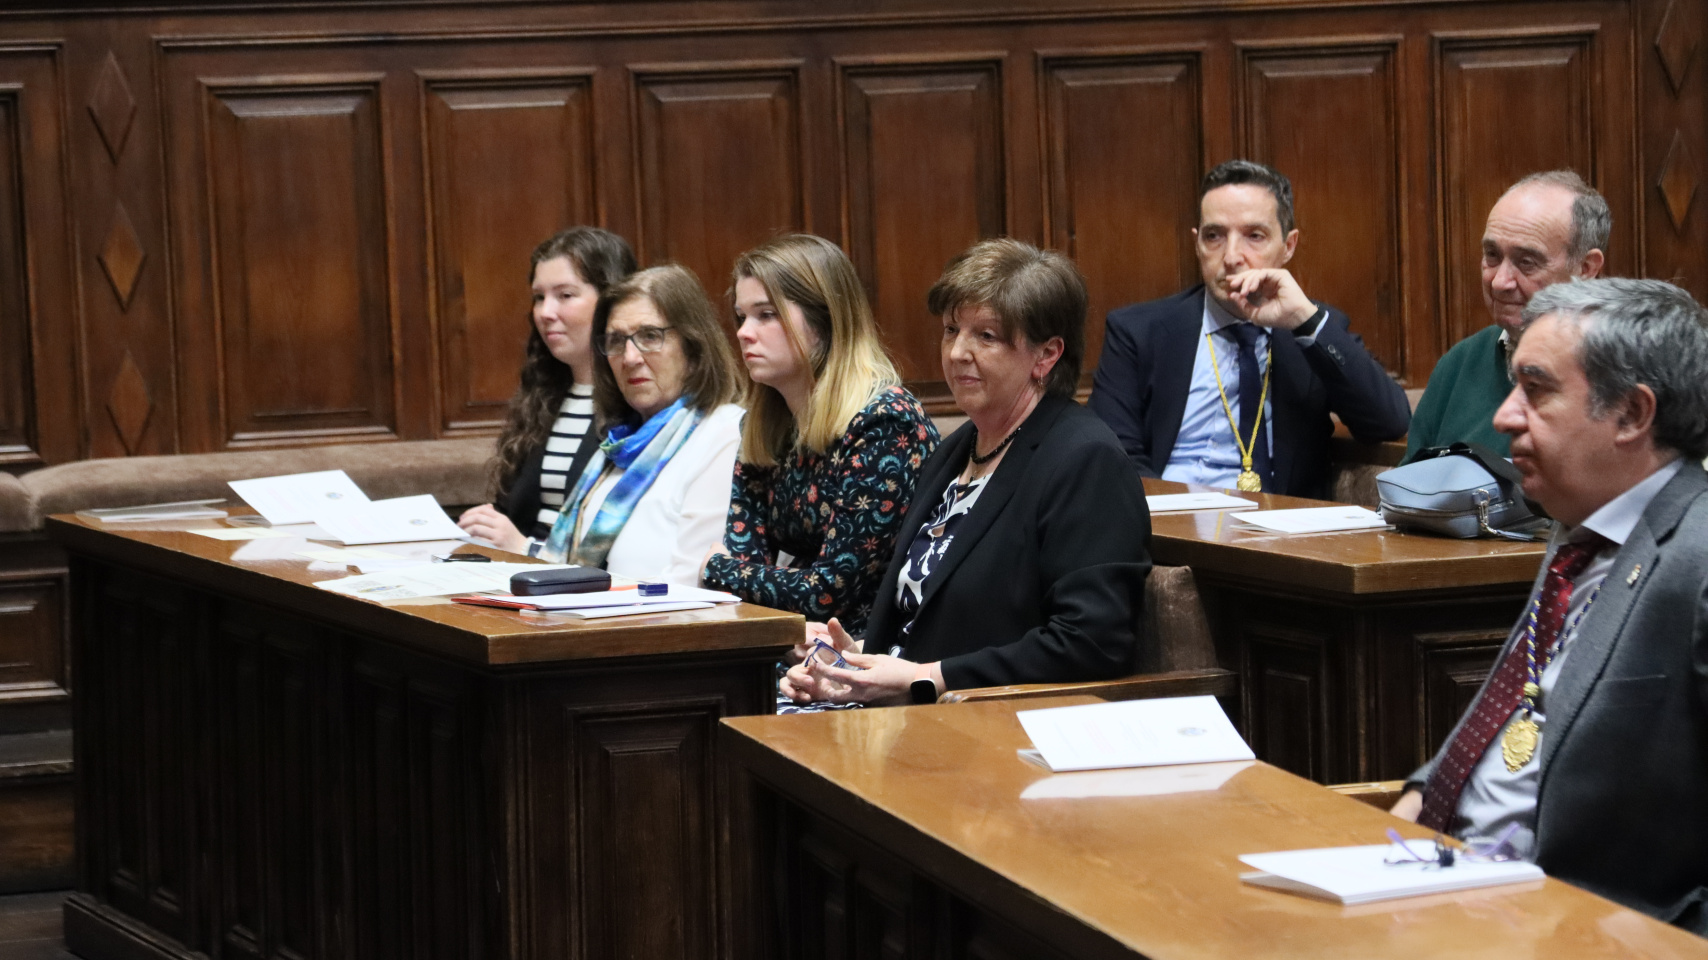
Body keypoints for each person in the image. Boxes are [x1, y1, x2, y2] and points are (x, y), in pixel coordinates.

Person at [1390, 278, 1708, 935]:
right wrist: (1421, 796)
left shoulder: (1695, 559)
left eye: (1535, 390)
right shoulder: (1579, 528)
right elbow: (1518, 713)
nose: (1504, 417)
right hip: (1446, 885)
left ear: (1631, 414)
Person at [781, 238, 1153, 707]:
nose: (958, 351)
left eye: (986, 336)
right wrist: (853, 663)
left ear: (1046, 355)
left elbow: (1090, 643)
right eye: (951, 330)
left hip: (988, 723)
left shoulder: (1085, 461)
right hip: (905, 709)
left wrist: (925, 677)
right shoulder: (957, 449)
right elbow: (927, 624)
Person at [1088, 159, 1410, 498]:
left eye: (1254, 236)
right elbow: (1115, 456)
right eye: (1214, 236)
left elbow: (1389, 421)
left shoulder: (1312, 328)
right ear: (1197, 244)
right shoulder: (1137, 333)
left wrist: (1304, 320)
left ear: (1288, 246)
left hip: (1281, 524)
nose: (1231, 256)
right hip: (1171, 519)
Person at [702, 234, 938, 633]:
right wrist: (743, 583)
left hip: (871, 644)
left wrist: (716, 567)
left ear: (824, 319)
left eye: (766, 315)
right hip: (789, 636)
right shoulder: (763, 425)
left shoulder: (886, 422)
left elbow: (828, 591)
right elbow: (747, 563)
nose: (743, 332)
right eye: (741, 316)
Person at [535, 264, 745, 585]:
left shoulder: (724, 432)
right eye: (617, 340)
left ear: (694, 347)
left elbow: (693, 581)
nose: (630, 357)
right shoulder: (620, 443)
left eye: (650, 336)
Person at [1404, 171, 1609, 460]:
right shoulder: (1460, 362)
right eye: (1492, 255)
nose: (1500, 282)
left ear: (1585, 269)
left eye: (1526, 262)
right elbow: (1407, 483)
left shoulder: (1620, 371)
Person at [457, 227, 636, 553]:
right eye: (539, 297)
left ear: (612, 301)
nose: (545, 312)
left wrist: (524, 548)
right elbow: (515, 513)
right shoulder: (542, 398)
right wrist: (484, 526)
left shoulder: (639, 405)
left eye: (565, 296)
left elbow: (620, 543)